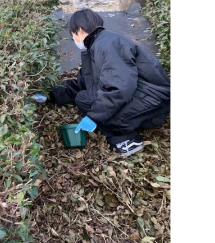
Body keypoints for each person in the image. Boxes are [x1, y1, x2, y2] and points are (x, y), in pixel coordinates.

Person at [42, 9, 170, 156]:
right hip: (141, 94)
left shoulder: (109, 45)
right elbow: (83, 84)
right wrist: (49, 95)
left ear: (80, 30)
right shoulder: (95, 47)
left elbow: (119, 87)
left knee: (96, 107)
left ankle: (128, 141)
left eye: (72, 35)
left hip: (155, 100)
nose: (73, 39)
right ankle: (124, 126)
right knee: (84, 98)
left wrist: (93, 117)